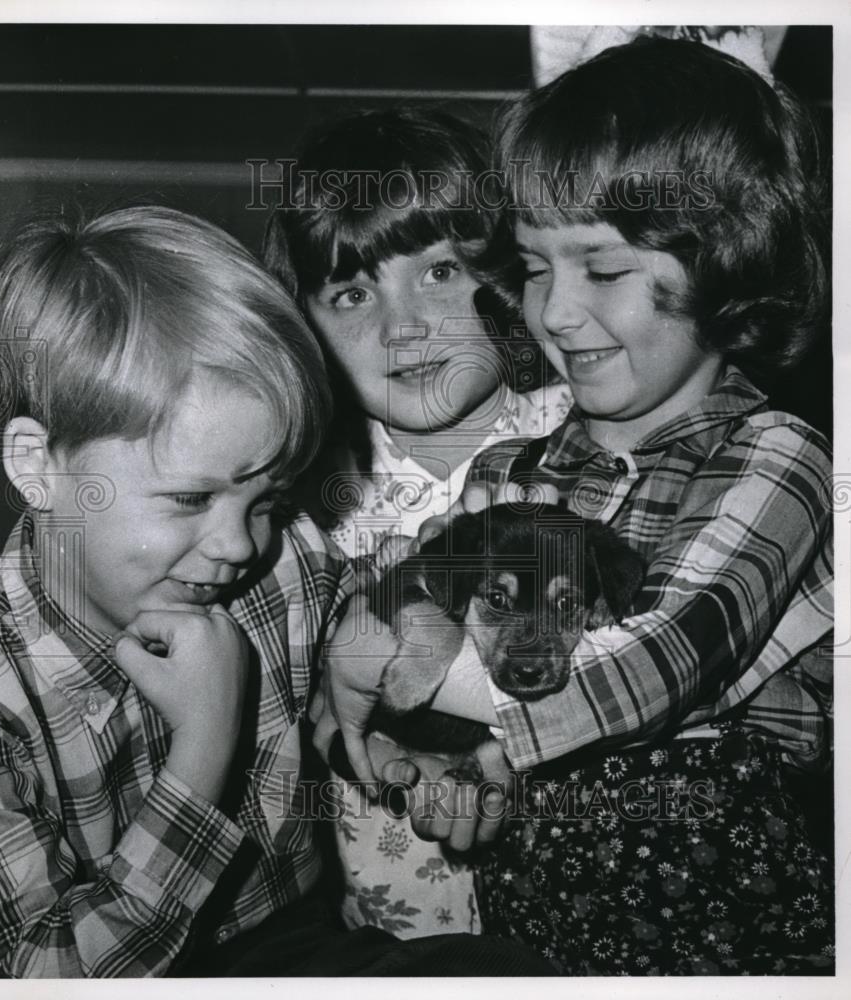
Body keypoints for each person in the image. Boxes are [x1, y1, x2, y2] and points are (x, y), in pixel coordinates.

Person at [313, 37, 834, 974]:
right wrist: (453, 770)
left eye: (599, 269)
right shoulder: (512, 470)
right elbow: (435, 614)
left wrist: (410, 662)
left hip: (719, 917)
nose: (551, 312)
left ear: (724, 263)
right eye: (535, 267)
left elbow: (660, 663)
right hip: (537, 922)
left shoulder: (777, 457)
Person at [0, 205, 555, 977]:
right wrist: (204, 747)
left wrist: (413, 755)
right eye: (190, 499)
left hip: (294, 938)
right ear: (39, 467)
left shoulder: (283, 564)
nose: (238, 544)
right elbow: (29, 974)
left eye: (265, 500)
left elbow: (333, 707)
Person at [263, 107, 571, 939]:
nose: (401, 328)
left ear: (509, 274)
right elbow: (296, 709)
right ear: (305, 327)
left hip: (591, 903)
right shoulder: (301, 505)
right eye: (353, 292)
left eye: (437, 273)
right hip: (397, 916)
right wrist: (400, 767)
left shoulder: (586, 436)